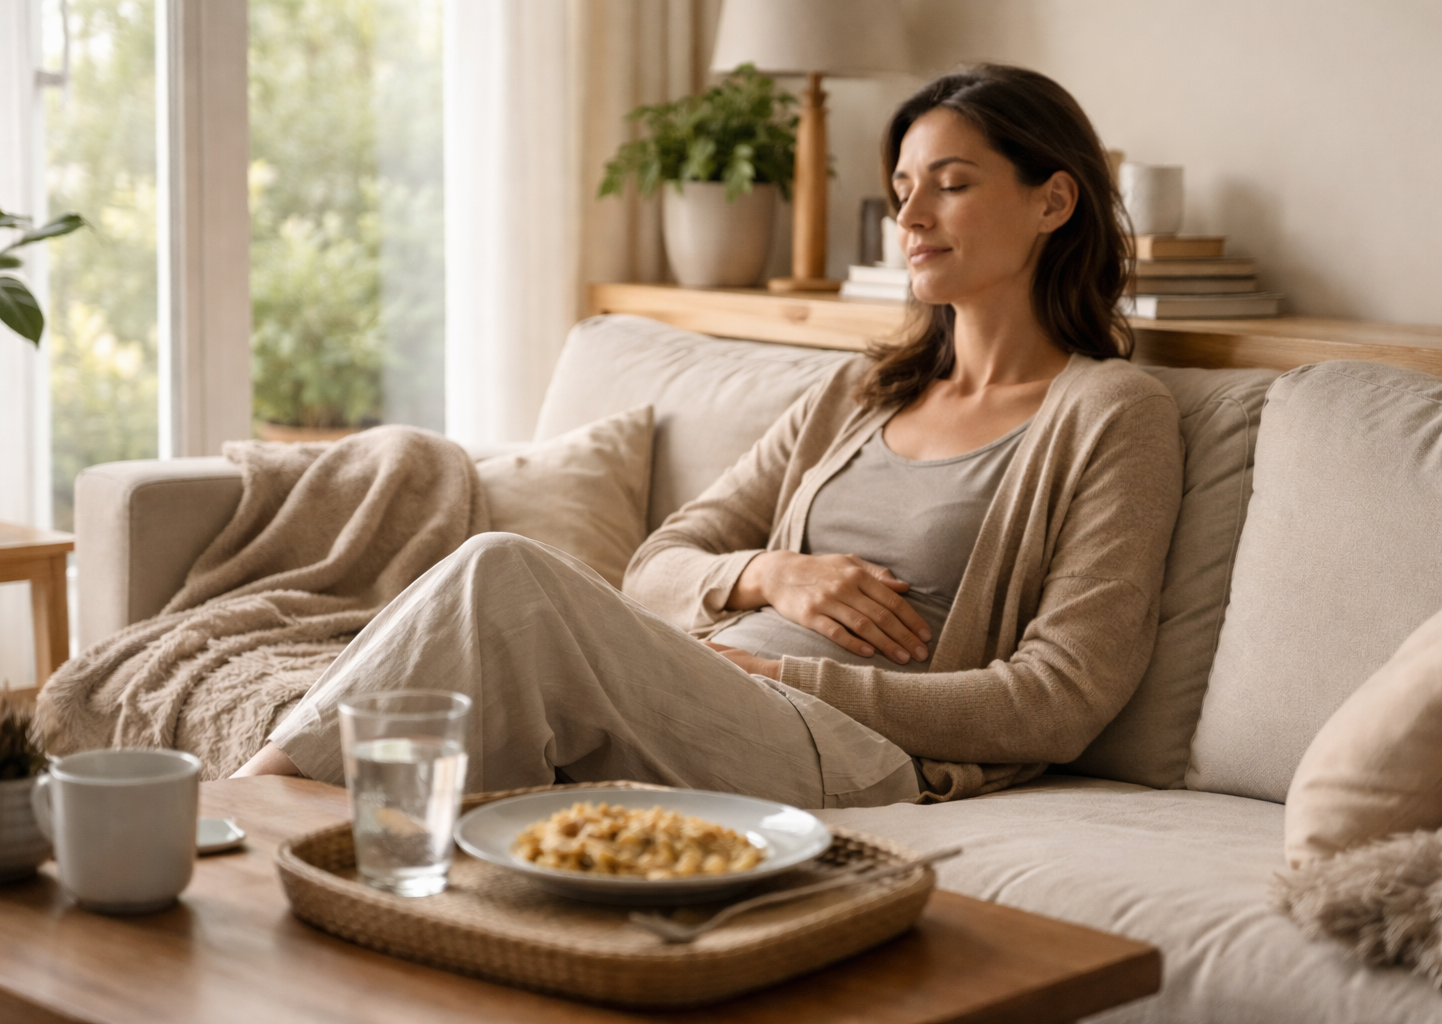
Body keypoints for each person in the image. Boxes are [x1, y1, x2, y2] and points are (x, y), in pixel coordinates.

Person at [234, 63, 1183, 808]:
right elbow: (656, 565)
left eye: (952, 185)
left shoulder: (1110, 413)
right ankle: (310, 828)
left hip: (854, 748)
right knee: (496, 612)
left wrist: (781, 669)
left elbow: (1057, 700)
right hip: (720, 687)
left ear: (1053, 203)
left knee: (502, 575)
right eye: (901, 188)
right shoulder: (860, 391)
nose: (910, 217)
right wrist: (771, 574)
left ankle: (262, 803)